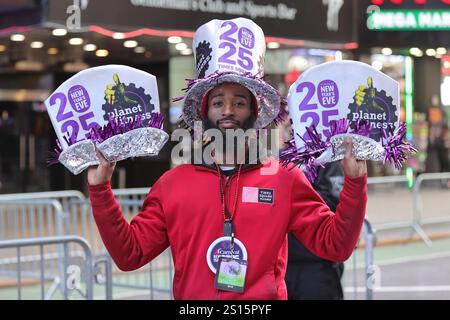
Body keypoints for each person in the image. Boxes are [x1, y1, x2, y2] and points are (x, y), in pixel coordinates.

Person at [87, 18, 367, 300]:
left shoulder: (285, 178)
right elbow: (130, 255)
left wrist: (355, 183)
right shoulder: (171, 185)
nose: (228, 111)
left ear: (254, 114)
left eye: (240, 102)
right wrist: (100, 190)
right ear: (205, 113)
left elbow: (336, 247)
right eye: (218, 102)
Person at [285, 161, 346, 300]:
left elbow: (331, 204)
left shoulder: (327, 157)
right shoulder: (278, 156)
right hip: (283, 265)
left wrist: (290, 197)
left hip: (318, 266)